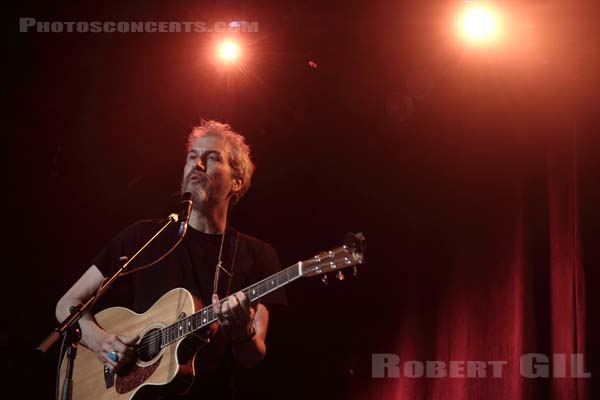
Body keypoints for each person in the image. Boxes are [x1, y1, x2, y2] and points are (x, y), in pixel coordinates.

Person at [55, 120, 287, 399]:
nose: (198, 164)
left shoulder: (257, 255)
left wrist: (241, 332)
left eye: (212, 158)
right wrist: (101, 341)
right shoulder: (144, 236)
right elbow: (67, 305)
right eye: (192, 157)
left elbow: (253, 356)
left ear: (236, 182)